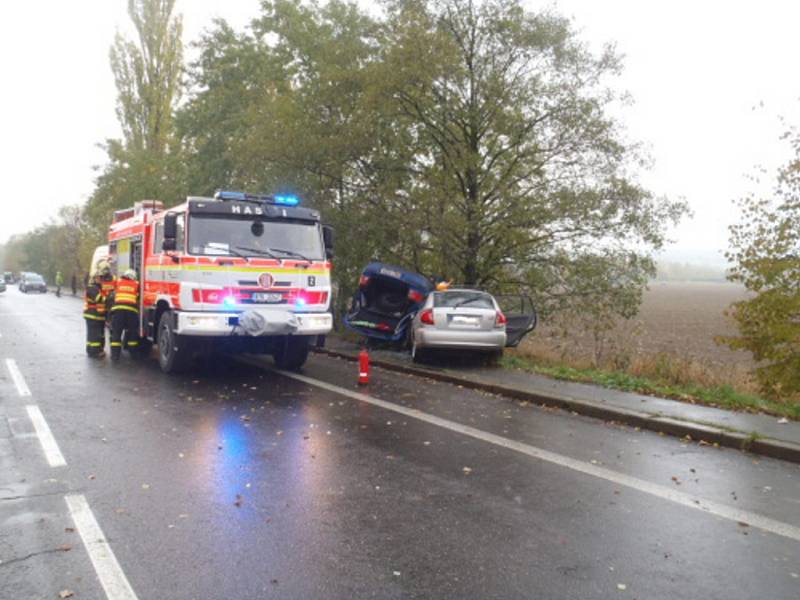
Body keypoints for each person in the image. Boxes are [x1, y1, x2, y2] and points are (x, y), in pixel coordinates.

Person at [109, 269, 140, 361]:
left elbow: (112, 293)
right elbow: (138, 297)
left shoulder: (118, 282)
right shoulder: (136, 284)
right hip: (131, 311)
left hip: (118, 311)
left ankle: (115, 356)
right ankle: (133, 354)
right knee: (132, 332)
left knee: (116, 332)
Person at [83, 272, 106, 357]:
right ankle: (95, 352)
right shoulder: (92, 288)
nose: (101, 280)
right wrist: (108, 298)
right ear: (93, 279)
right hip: (93, 315)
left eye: (101, 278)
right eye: (99, 278)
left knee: (92, 334)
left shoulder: (96, 288)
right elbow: (99, 299)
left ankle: (90, 350)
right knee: (94, 335)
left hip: (96, 315)